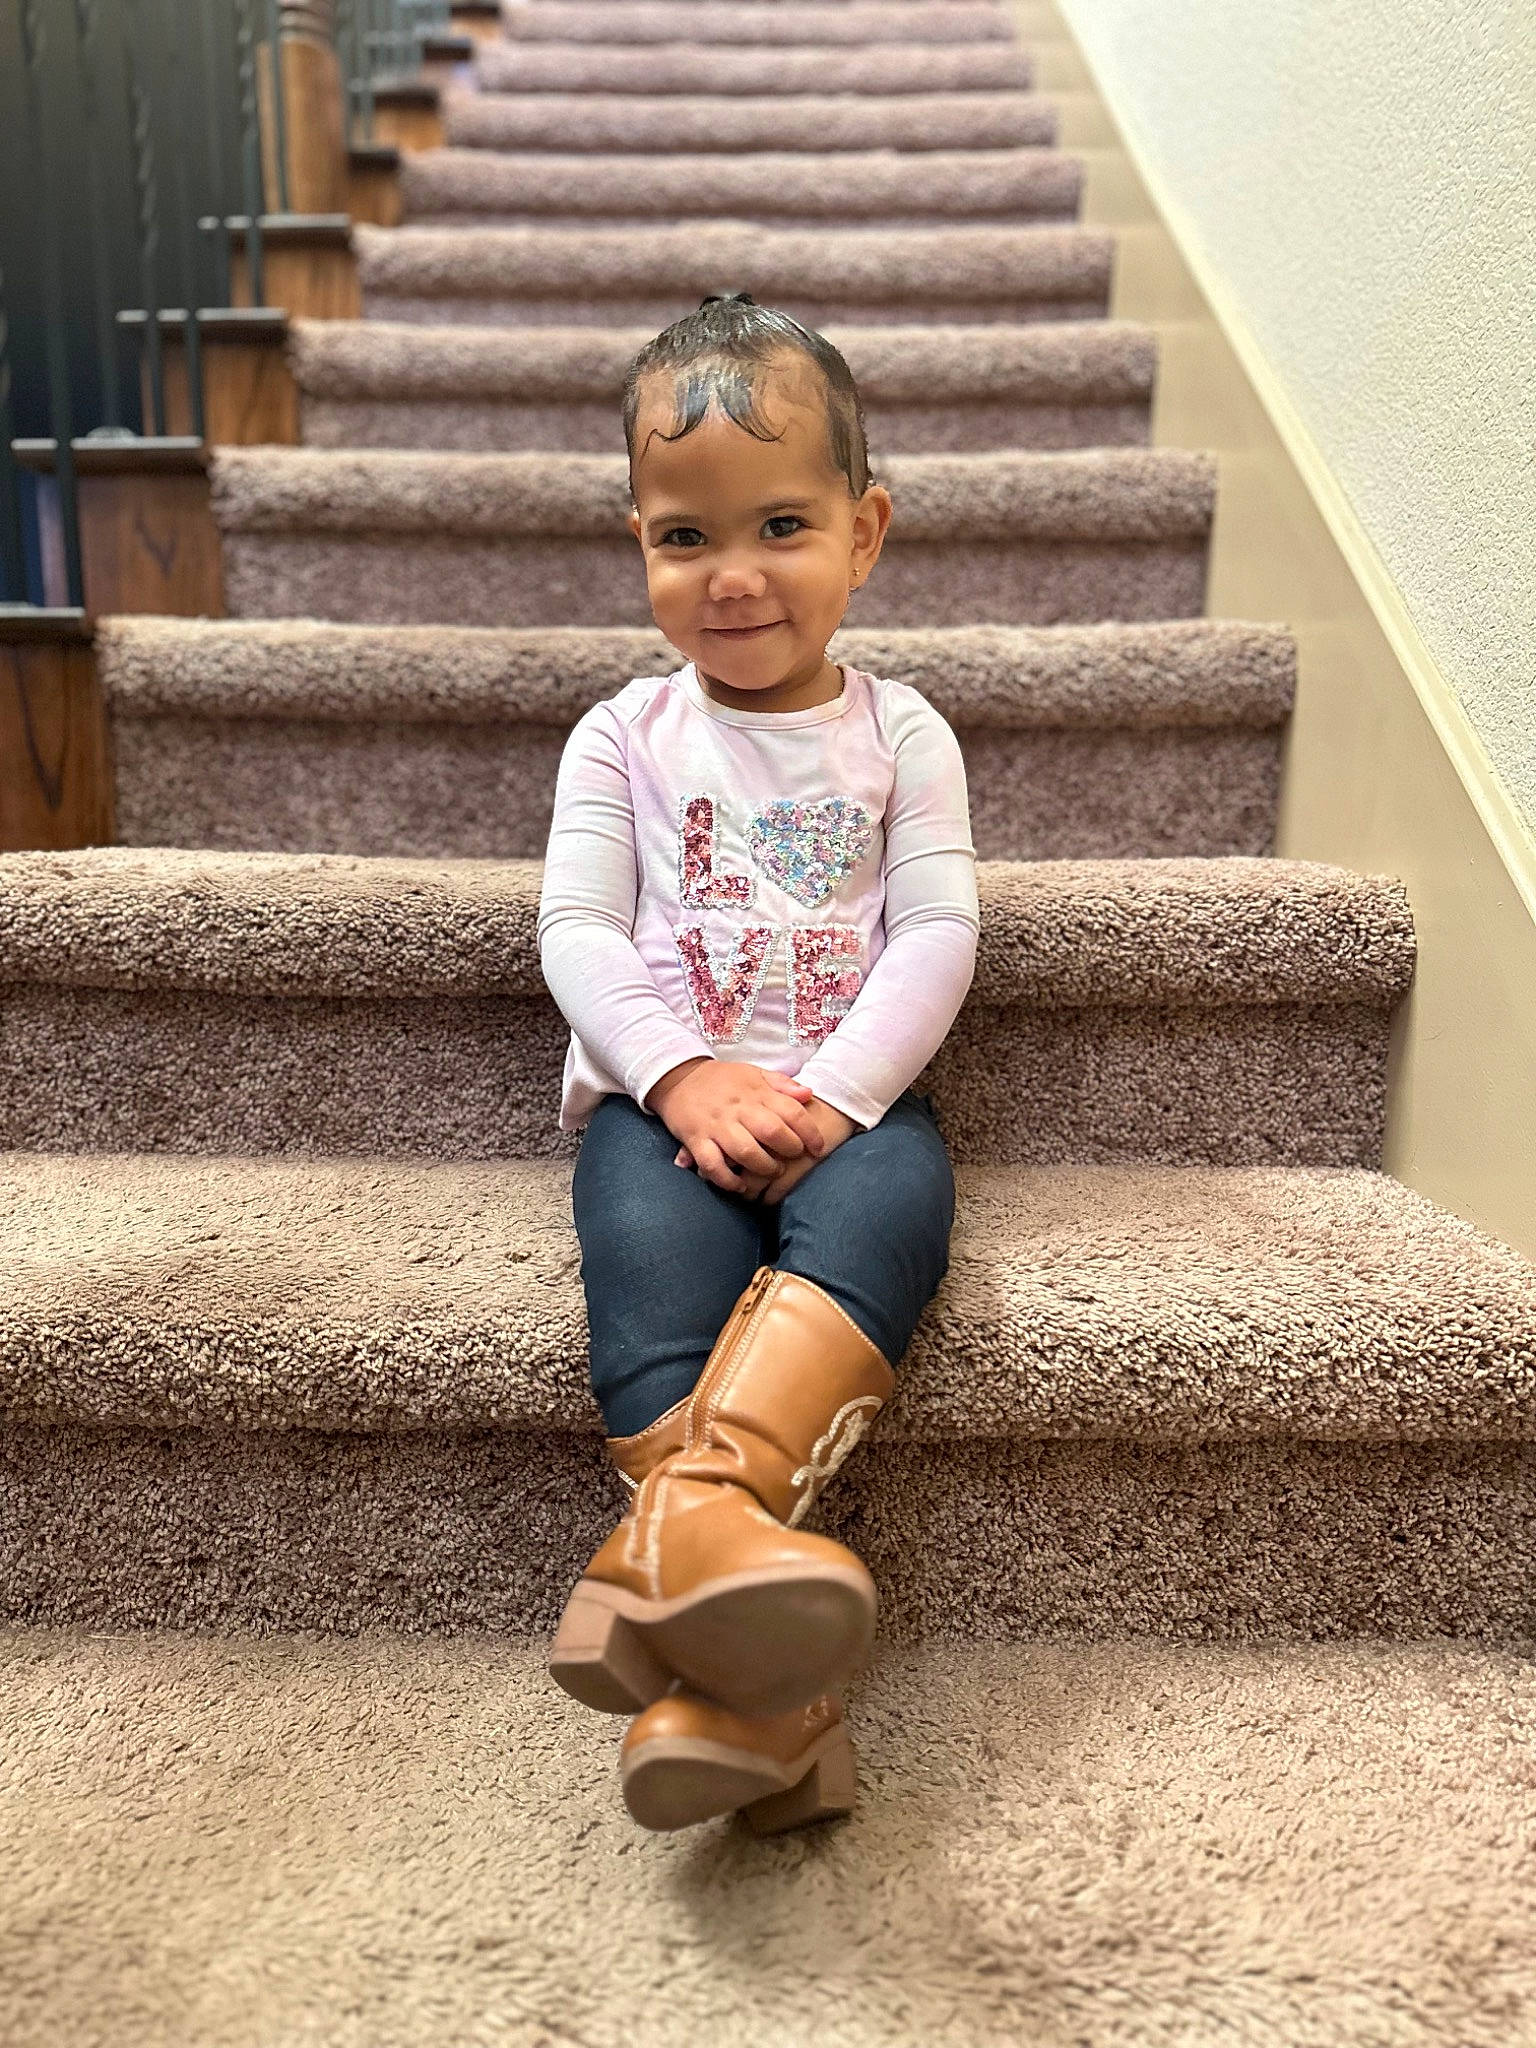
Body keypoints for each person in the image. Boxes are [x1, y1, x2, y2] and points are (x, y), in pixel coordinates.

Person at [537, 294, 980, 1836]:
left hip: (853, 1098)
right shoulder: (621, 739)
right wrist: (680, 1076)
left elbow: (935, 935)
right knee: (648, 1282)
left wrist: (840, 1095)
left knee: (888, 1217)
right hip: (661, 1110)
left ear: (865, 534)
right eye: (682, 537)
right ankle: (768, 1699)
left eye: (781, 524)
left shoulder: (904, 733)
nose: (732, 576)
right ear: (639, 543)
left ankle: (692, 1548)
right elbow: (578, 936)